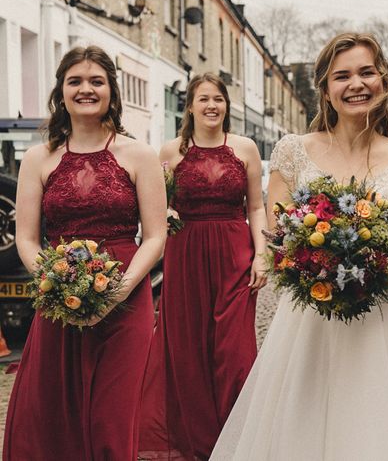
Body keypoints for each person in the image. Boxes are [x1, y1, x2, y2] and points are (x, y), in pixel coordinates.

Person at [211, 32, 388, 461]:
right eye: (343, 76)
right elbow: (278, 238)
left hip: (379, 316)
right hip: (309, 316)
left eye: (367, 72)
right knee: (301, 422)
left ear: (384, 81)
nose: (357, 84)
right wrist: (319, 274)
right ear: (326, 89)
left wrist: (365, 278)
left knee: (372, 426)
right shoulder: (294, 152)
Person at [3, 46, 167, 461]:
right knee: (57, 412)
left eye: (97, 81)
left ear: (112, 90)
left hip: (126, 300)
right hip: (60, 297)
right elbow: (26, 237)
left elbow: (155, 236)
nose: (86, 89)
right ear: (61, 91)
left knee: (114, 416)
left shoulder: (139, 155)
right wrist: (56, 282)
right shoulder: (39, 158)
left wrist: (119, 290)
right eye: (75, 81)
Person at [139, 73, 266, 459]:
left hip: (234, 253)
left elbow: (256, 207)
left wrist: (262, 253)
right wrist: (168, 213)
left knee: (235, 351)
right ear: (190, 106)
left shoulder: (245, 148)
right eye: (203, 98)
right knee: (188, 346)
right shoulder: (168, 152)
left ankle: (239, 434)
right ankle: (198, 441)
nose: (212, 105)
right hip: (186, 253)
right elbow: (153, 208)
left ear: (227, 106)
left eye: (219, 99)